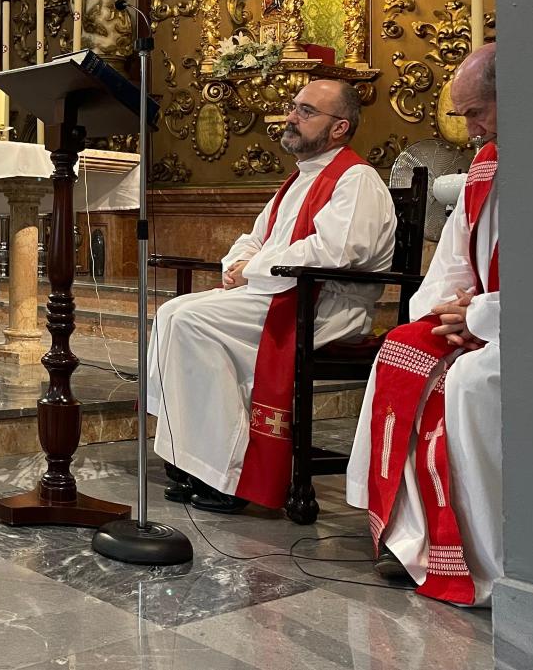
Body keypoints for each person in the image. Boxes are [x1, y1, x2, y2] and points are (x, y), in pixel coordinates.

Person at [149, 79, 396, 513]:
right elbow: (254, 238)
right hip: (283, 294)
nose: (292, 117)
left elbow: (335, 251)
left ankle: (230, 472)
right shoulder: (297, 181)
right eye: (293, 107)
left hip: (324, 308)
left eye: (306, 111)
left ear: (339, 128)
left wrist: (255, 270)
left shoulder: (356, 180)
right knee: (173, 313)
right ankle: (196, 459)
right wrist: (237, 266)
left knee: (188, 321)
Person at [346, 43, 500, 606]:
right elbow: (455, 257)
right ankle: (404, 532)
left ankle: (482, 555)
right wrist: (443, 313)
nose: (469, 128)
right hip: (475, 318)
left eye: (476, 111)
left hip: (517, 330)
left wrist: (481, 315)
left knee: (466, 384)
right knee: (401, 347)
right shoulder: (486, 165)